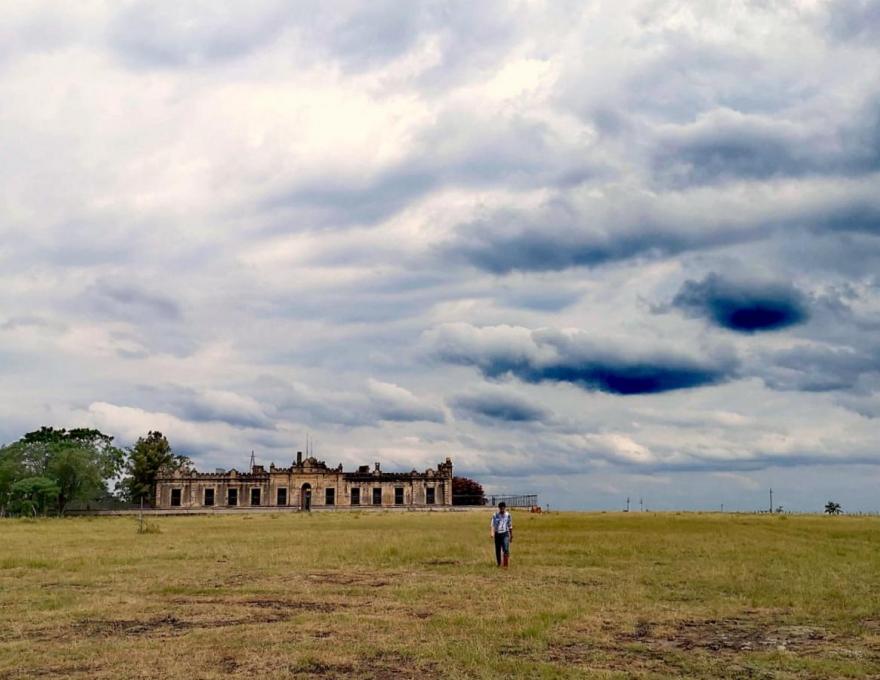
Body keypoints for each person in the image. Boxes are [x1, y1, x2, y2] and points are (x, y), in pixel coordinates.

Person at [490, 501, 513, 568]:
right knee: (498, 549)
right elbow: (492, 525)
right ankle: (499, 563)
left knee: (505, 549)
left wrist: (511, 535)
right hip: (497, 534)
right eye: (501, 508)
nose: (502, 510)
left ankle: (505, 565)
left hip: (505, 534)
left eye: (503, 508)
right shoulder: (495, 515)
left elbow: (510, 525)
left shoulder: (508, 515)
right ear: (499, 508)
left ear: (505, 508)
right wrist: (492, 533)